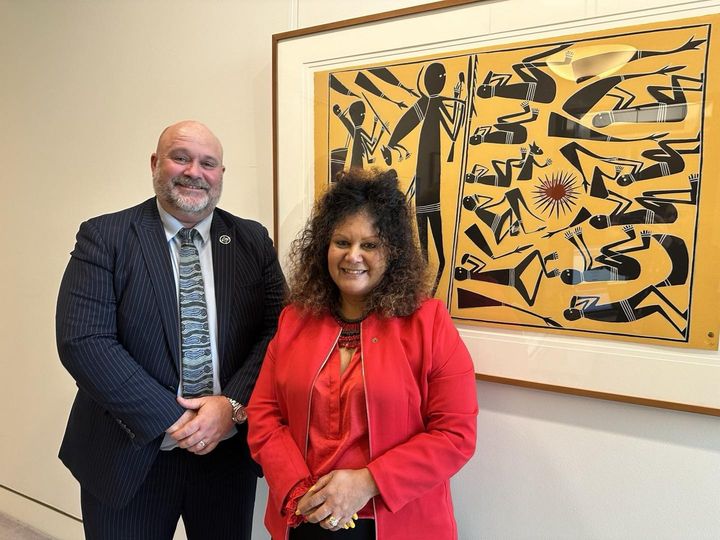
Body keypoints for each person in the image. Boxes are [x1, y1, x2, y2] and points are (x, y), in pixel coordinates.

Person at [56, 120, 286, 539]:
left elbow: (277, 331)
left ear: (220, 174)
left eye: (208, 163)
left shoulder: (252, 240)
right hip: (129, 452)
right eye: (181, 157)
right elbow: (84, 341)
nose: (194, 172)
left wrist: (230, 405)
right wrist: (177, 419)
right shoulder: (105, 236)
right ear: (155, 163)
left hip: (225, 453)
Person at [247, 168, 478, 540]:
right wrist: (296, 488)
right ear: (324, 247)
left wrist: (367, 482)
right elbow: (263, 415)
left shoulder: (430, 324)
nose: (353, 256)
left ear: (393, 252)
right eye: (342, 242)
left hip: (396, 521)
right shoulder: (294, 320)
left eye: (369, 245)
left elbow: (455, 434)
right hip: (304, 517)